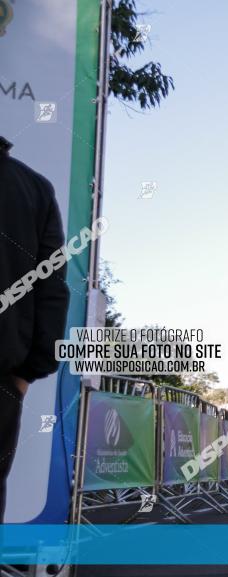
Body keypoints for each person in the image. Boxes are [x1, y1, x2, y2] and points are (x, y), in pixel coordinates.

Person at [0, 137, 70, 522]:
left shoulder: (34, 189)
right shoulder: (33, 188)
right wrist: (28, 371)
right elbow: (51, 287)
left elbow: (51, 286)